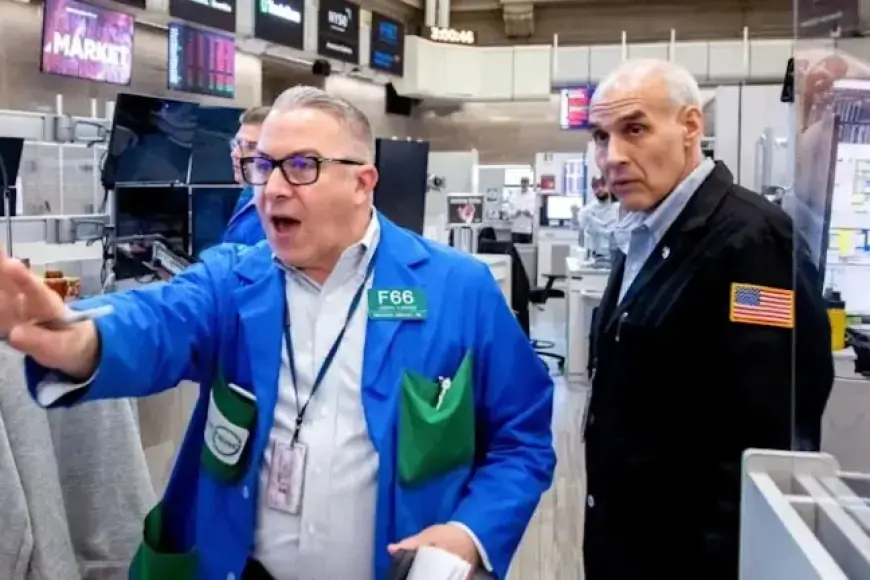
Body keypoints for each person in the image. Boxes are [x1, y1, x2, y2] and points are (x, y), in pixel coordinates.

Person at [0, 87, 556, 580]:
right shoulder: (233, 280)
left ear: (362, 182)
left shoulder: (458, 290)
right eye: (262, 166)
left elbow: (522, 439)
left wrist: (470, 533)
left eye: (302, 166)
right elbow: (159, 320)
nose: (272, 188)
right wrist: (77, 337)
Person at [582, 59, 833, 580]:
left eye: (635, 129)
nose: (613, 157)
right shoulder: (647, 232)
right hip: (630, 540)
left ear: (691, 127)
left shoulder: (752, 242)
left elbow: (771, 432)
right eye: (601, 137)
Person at [223, 106, 269, 245]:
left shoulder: (279, 210)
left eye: (251, 146)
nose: (235, 154)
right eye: (237, 144)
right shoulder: (248, 193)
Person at [575, 177, 619, 260]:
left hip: (616, 255)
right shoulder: (587, 210)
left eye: (603, 185)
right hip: (596, 256)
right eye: (596, 187)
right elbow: (579, 227)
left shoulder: (619, 208)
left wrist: (595, 223)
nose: (599, 189)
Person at [507, 177, 536, 243]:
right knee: (515, 247)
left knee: (527, 248)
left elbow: (536, 212)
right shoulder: (514, 195)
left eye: (526, 183)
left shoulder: (533, 196)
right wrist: (515, 214)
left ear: (528, 184)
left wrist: (530, 214)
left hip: (528, 229)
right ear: (521, 183)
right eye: (523, 182)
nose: (524, 184)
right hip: (515, 229)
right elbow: (509, 211)